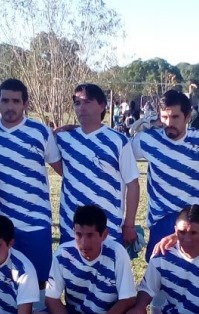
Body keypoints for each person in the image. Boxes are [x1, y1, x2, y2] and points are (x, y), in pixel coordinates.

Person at [0, 78, 61, 301]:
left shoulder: (40, 132)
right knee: (2, 279)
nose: (10, 106)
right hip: (1, 221)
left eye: (16, 101)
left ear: (25, 104)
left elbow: (61, 168)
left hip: (36, 221)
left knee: (39, 279)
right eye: (5, 100)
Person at [132, 89, 199, 261]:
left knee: (195, 271)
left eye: (175, 117)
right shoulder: (149, 140)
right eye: (164, 117)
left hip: (195, 219)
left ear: (187, 117)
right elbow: (119, 149)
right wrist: (144, 122)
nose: (169, 123)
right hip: (163, 220)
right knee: (160, 271)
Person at [56, 83, 140, 247]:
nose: (81, 108)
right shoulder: (63, 138)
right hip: (71, 229)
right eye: (77, 103)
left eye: (87, 102)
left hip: (108, 229)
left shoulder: (118, 141)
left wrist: (129, 224)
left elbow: (133, 184)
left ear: (102, 106)